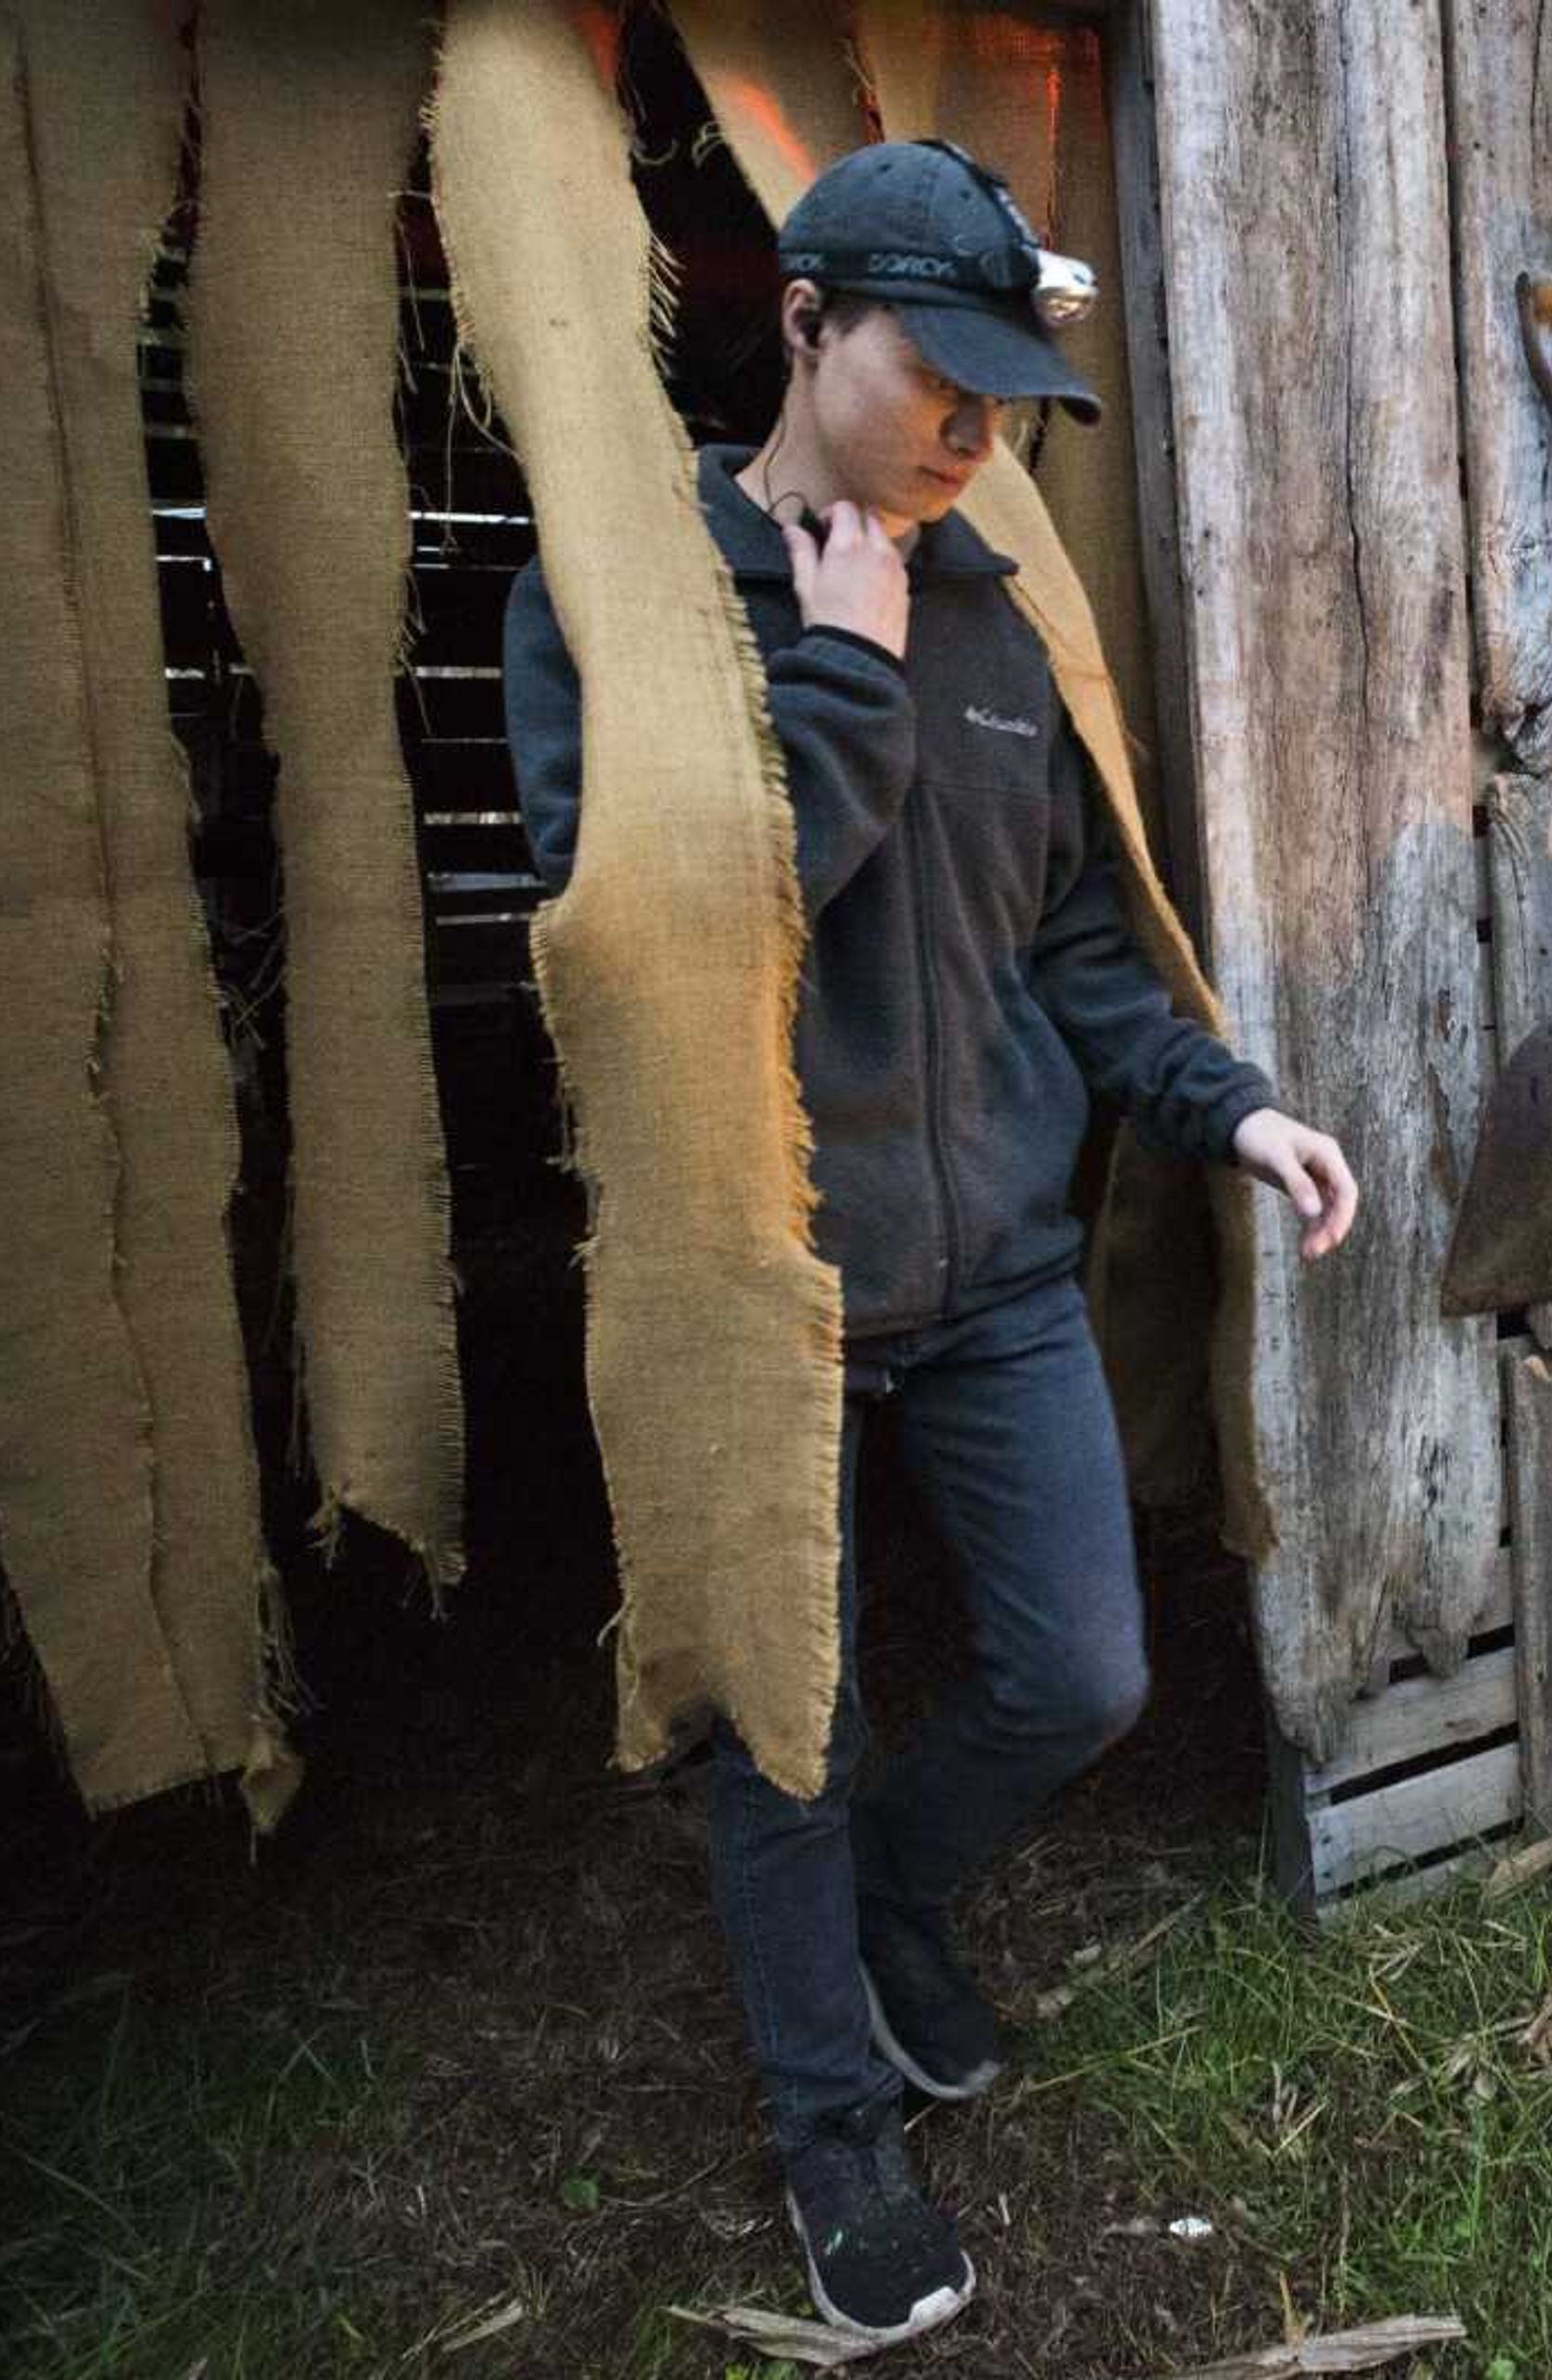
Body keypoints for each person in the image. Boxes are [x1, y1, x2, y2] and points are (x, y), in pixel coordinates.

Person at [502, 139, 1355, 2346]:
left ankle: (890, 1896)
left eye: (1005, 395)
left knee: (1084, 1666)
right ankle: (830, 2137)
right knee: (780, 1723)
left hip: (985, 1271)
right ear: (800, 322)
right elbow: (661, 951)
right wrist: (847, 677)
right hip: (755, 1282)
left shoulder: (991, 595)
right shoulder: (626, 590)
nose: (977, 432)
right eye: (937, 378)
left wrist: (1225, 1099)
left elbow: (1068, 939)